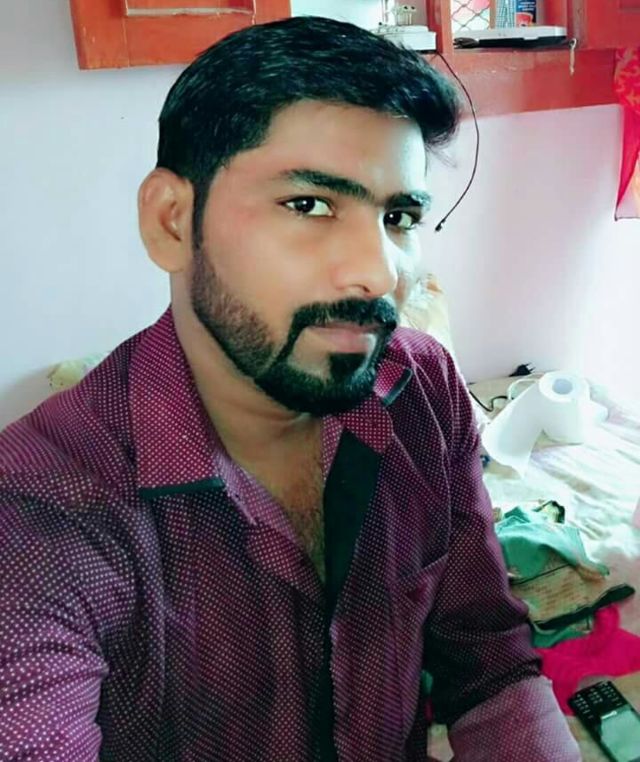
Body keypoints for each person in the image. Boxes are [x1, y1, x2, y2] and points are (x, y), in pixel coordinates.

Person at [0, 16, 580, 762]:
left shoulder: (422, 388)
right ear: (172, 223)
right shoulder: (41, 513)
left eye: (399, 216)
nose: (377, 272)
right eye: (309, 205)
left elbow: (487, 658)